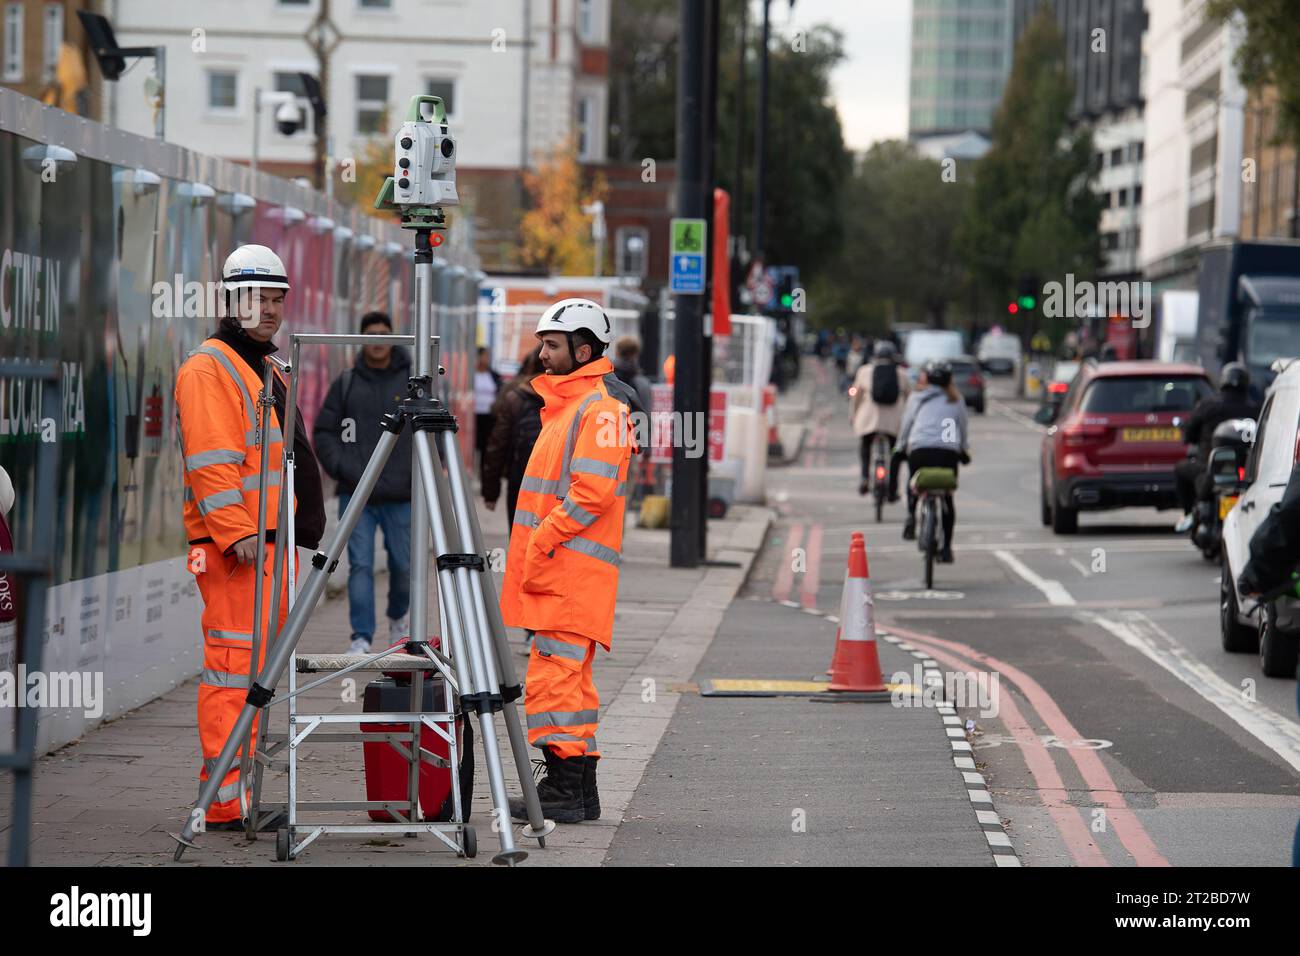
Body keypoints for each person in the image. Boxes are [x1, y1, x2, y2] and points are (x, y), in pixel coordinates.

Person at [174, 244, 326, 830]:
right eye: (257, 298)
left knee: (257, 673)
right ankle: (221, 801)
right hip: (238, 549)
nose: (269, 310)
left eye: (277, 298)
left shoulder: (266, 365)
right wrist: (237, 532)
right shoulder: (209, 367)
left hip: (268, 545)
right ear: (231, 301)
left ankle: (237, 795)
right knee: (234, 671)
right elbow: (212, 462)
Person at [500, 298, 639, 824]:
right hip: (564, 573)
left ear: (584, 349)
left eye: (552, 345)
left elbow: (592, 492)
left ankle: (562, 790)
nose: (542, 354)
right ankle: (578, 792)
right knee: (571, 684)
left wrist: (542, 540)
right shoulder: (573, 404)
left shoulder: (598, 407)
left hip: (566, 572)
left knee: (553, 680)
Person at [313, 312, 414, 654]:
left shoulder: (413, 383)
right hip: (357, 494)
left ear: (392, 338)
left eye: (383, 334)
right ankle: (362, 637)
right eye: (370, 334)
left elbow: (434, 432)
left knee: (403, 564)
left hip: (402, 494)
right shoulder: (346, 382)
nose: (377, 340)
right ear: (361, 338)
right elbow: (324, 432)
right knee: (360, 565)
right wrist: (344, 468)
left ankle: (399, 618)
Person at [894, 359, 970, 561]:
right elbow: (961, 428)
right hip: (947, 452)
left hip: (920, 449)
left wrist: (901, 446)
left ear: (926, 377)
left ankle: (911, 516)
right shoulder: (956, 400)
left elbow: (906, 425)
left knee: (913, 482)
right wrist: (963, 450)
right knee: (947, 498)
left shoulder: (916, 397)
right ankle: (946, 549)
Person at [1174, 362, 1259, 533]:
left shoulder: (1209, 406)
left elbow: (1190, 431)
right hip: (1247, 471)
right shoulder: (1255, 409)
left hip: (1210, 469)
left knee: (1179, 469)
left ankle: (1189, 513)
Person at [481, 346, 546, 530]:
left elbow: (497, 445)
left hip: (520, 480)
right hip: (559, 487)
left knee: (520, 538)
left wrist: (491, 492)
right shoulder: (572, 397)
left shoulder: (515, 396)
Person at [850, 340, 911, 497]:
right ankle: (892, 488)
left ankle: (864, 477)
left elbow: (855, 397)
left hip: (869, 420)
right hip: (893, 423)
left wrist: (853, 416)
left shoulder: (865, 371)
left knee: (865, 446)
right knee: (896, 453)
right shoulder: (901, 374)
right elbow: (910, 398)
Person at [474, 347, 503, 471]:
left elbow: (499, 391)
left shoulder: (494, 375)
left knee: (486, 444)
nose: (486, 359)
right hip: (473, 415)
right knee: (474, 443)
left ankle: (482, 470)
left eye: (487, 356)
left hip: (489, 415)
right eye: (484, 356)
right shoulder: (471, 374)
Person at [612, 336, 653, 415]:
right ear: (635, 354)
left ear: (617, 352)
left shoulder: (607, 377)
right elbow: (646, 411)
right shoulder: (642, 382)